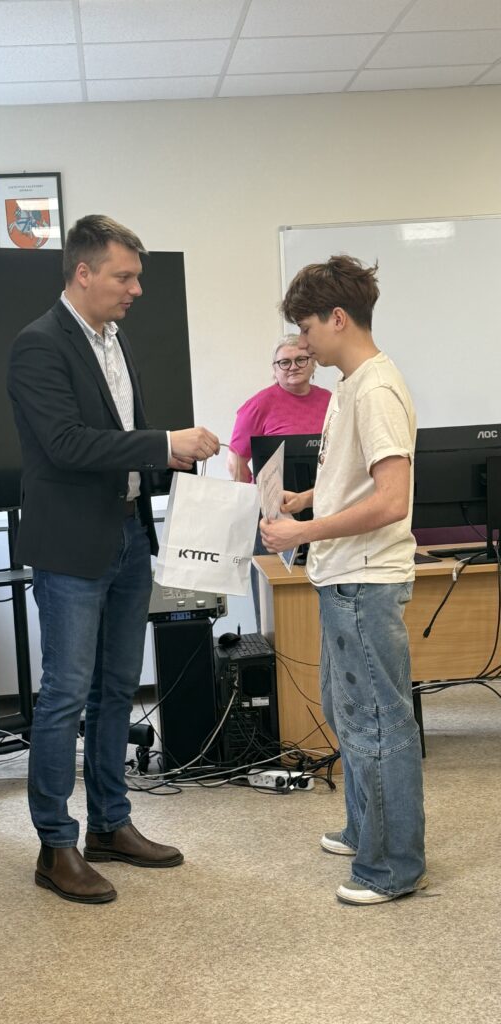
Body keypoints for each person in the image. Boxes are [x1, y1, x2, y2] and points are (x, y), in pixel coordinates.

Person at [7, 214, 219, 905]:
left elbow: (120, 435)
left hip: (128, 535)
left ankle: (110, 824)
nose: (136, 289)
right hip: (71, 546)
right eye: (125, 276)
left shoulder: (115, 341)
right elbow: (67, 444)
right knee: (65, 694)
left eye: (137, 277)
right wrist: (164, 443)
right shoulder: (38, 345)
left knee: (118, 690)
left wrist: (171, 462)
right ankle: (55, 846)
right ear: (83, 272)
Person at [260, 255, 426, 906]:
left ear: (337, 317)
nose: (302, 345)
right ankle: (364, 830)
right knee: (346, 712)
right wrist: (309, 498)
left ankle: (392, 867)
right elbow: (355, 480)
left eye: (306, 329)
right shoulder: (352, 385)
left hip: (364, 580)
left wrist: (302, 532)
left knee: (378, 722)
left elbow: (391, 500)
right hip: (343, 576)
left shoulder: (376, 388)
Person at [227, 335, 330, 627]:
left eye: (300, 360)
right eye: (284, 362)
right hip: (275, 514)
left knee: (326, 598)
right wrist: (260, 501)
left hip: (326, 508)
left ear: (313, 363)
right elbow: (236, 460)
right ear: (274, 369)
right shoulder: (259, 404)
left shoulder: (331, 401)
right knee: (278, 609)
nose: (292, 367)